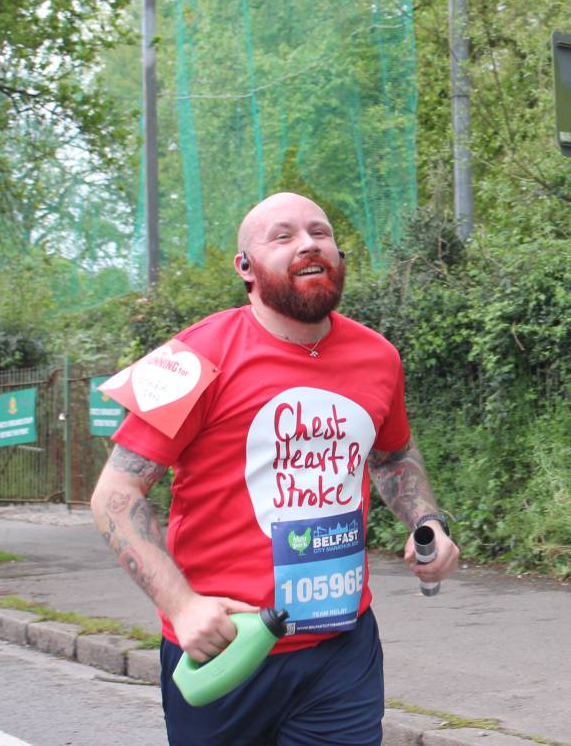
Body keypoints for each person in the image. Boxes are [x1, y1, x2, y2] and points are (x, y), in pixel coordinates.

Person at [91, 192, 459, 745]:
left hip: (341, 646)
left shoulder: (379, 356)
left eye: (320, 232)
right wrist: (181, 606)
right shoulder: (190, 357)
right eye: (283, 236)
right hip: (224, 646)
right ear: (245, 267)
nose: (308, 244)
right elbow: (116, 494)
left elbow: (392, 455)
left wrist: (427, 522)